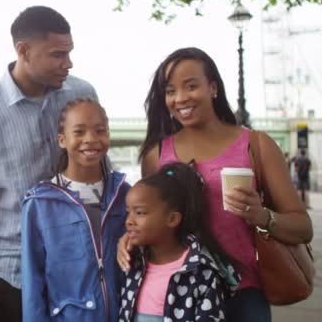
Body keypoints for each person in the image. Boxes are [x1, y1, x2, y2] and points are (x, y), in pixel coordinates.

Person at [117, 47, 313, 322]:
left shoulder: (256, 146)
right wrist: (130, 238)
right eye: (171, 91)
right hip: (179, 295)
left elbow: (303, 227)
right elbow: (148, 217)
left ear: (213, 88)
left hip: (243, 296)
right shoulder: (156, 154)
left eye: (191, 86)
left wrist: (262, 216)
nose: (180, 98)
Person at [0, 6, 99, 322]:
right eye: (58, 55)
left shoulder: (82, 94)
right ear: (23, 51)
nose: (68, 64)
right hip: (12, 277)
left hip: (79, 269)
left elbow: (102, 172)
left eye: (70, 53)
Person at [21, 98, 130, 321]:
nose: (90, 140)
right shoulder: (40, 204)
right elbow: (32, 281)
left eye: (100, 131)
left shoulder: (126, 195)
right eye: (79, 132)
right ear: (62, 140)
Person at [119, 162, 239, 322]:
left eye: (139, 212)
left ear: (172, 219)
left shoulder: (202, 271)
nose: (129, 221)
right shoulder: (133, 261)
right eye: (129, 212)